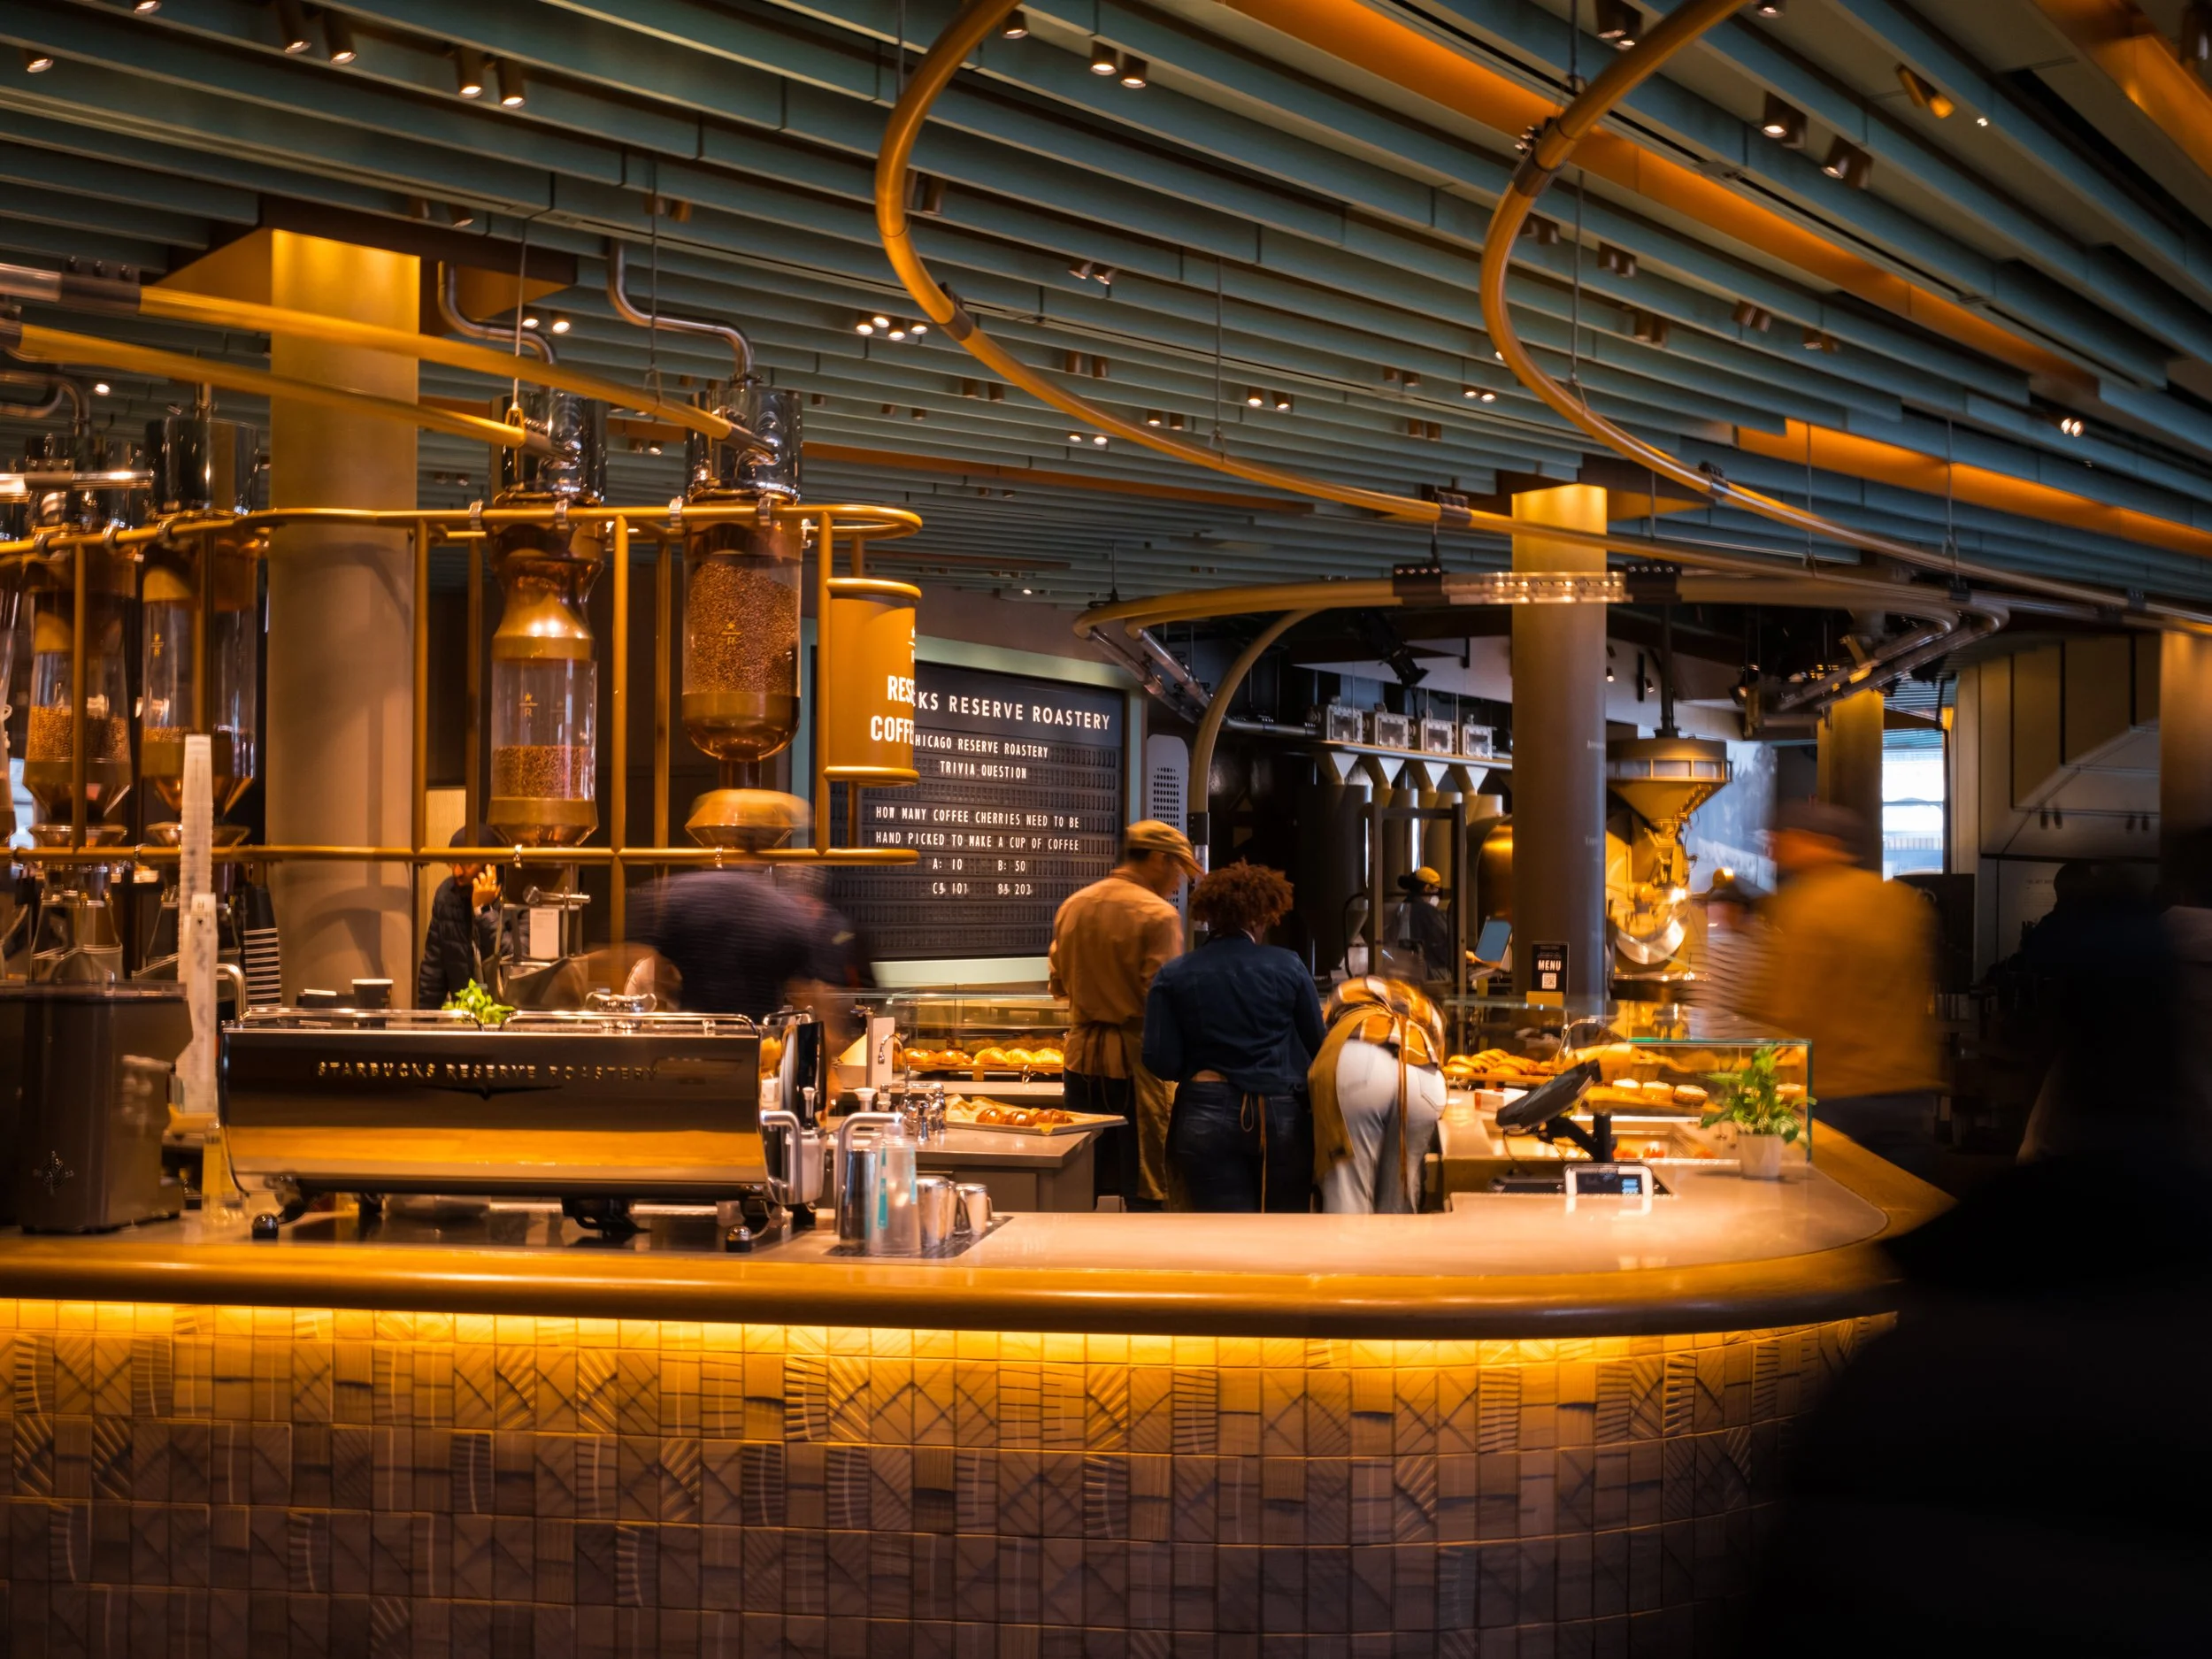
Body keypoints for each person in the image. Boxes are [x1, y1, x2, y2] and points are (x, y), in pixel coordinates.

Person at [1745, 800, 1942, 1181]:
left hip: (1833, 1089)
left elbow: (1784, 1009)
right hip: (1905, 1083)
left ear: (1817, 841)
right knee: (1906, 1197)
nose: (1773, 846)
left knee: (1831, 1210)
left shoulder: (1802, 905)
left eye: (1783, 837)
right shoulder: (1902, 901)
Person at [1143, 861, 1325, 1212]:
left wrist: (1197, 1065)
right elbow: (1319, 1044)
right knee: (1284, 1229)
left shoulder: (1174, 973)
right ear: (1261, 916)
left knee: (1221, 1237)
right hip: (1281, 1113)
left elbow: (1158, 1060)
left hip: (1204, 1110)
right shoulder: (1288, 965)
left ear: (1208, 916)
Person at [1048, 821, 1197, 1211]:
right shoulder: (1158, 916)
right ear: (1158, 859)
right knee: (1144, 1182)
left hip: (1080, 1059)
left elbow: (1058, 983)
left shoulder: (1073, 905)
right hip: (1136, 1063)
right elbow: (1163, 1001)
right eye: (1178, 868)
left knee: (1081, 1172)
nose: (1180, 880)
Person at [626, 867, 841, 1018]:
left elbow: (659, 974)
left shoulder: (683, 894)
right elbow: (808, 998)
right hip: (759, 1047)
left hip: (694, 1045)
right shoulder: (783, 911)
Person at [1309, 976, 1447, 1214]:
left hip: (1359, 1061)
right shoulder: (1424, 1008)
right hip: (1422, 1071)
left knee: (1349, 1193)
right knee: (1401, 1200)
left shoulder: (1349, 992)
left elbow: (1320, 1035)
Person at [417, 826, 500, 1008]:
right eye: (452, 863)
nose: (457, 872)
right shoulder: (447, 895)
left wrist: (484, 910)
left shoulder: (511, 898)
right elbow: (433, 971)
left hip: (508, 1017)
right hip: (465, 1016)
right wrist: (421, 1026)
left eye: (466, 864)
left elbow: (510, 961)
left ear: (490, 865)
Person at [1686, 870, 1766, 1033]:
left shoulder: (1714, 946)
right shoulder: (1759, 943)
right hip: (1739, 1042)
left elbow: (1705, 1014)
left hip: (1727, 1042)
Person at [1383, 865, 1458, 982]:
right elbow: (1448, 946)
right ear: (1427, 888)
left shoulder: (1401, 909)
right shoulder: (1429, 913)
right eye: (1437, 890)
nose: (1438, 895)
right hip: (1431, 977)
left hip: (1402, 976)